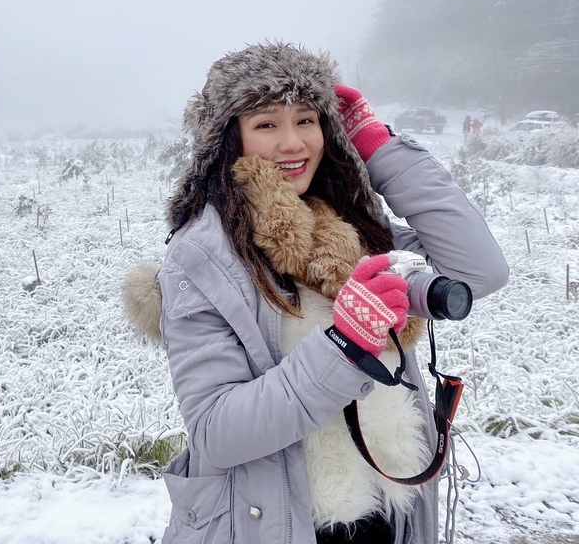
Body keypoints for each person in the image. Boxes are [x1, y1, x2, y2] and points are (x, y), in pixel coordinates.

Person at [122, 42, 508, 544]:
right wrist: (346, 345)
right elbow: (216, 432)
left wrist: (377, 145)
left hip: (390, 512)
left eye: (306, 120)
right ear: (228, 139)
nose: (293, 143)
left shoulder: (351, 227)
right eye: (266, 124)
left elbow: (480, 269)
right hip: (284, 524)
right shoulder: (204, 257)